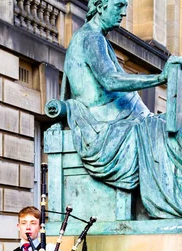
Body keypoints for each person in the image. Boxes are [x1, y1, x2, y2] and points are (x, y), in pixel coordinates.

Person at [62, 0, 182, 218]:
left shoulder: (97, 40)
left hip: (116, 121)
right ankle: (171, 204)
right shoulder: (91, 39)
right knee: (166, 135)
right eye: (118, 6)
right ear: (100, 6)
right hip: (102, 129)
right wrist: (160, 78)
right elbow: (110, 81)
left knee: (168, 127)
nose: (124, 12)